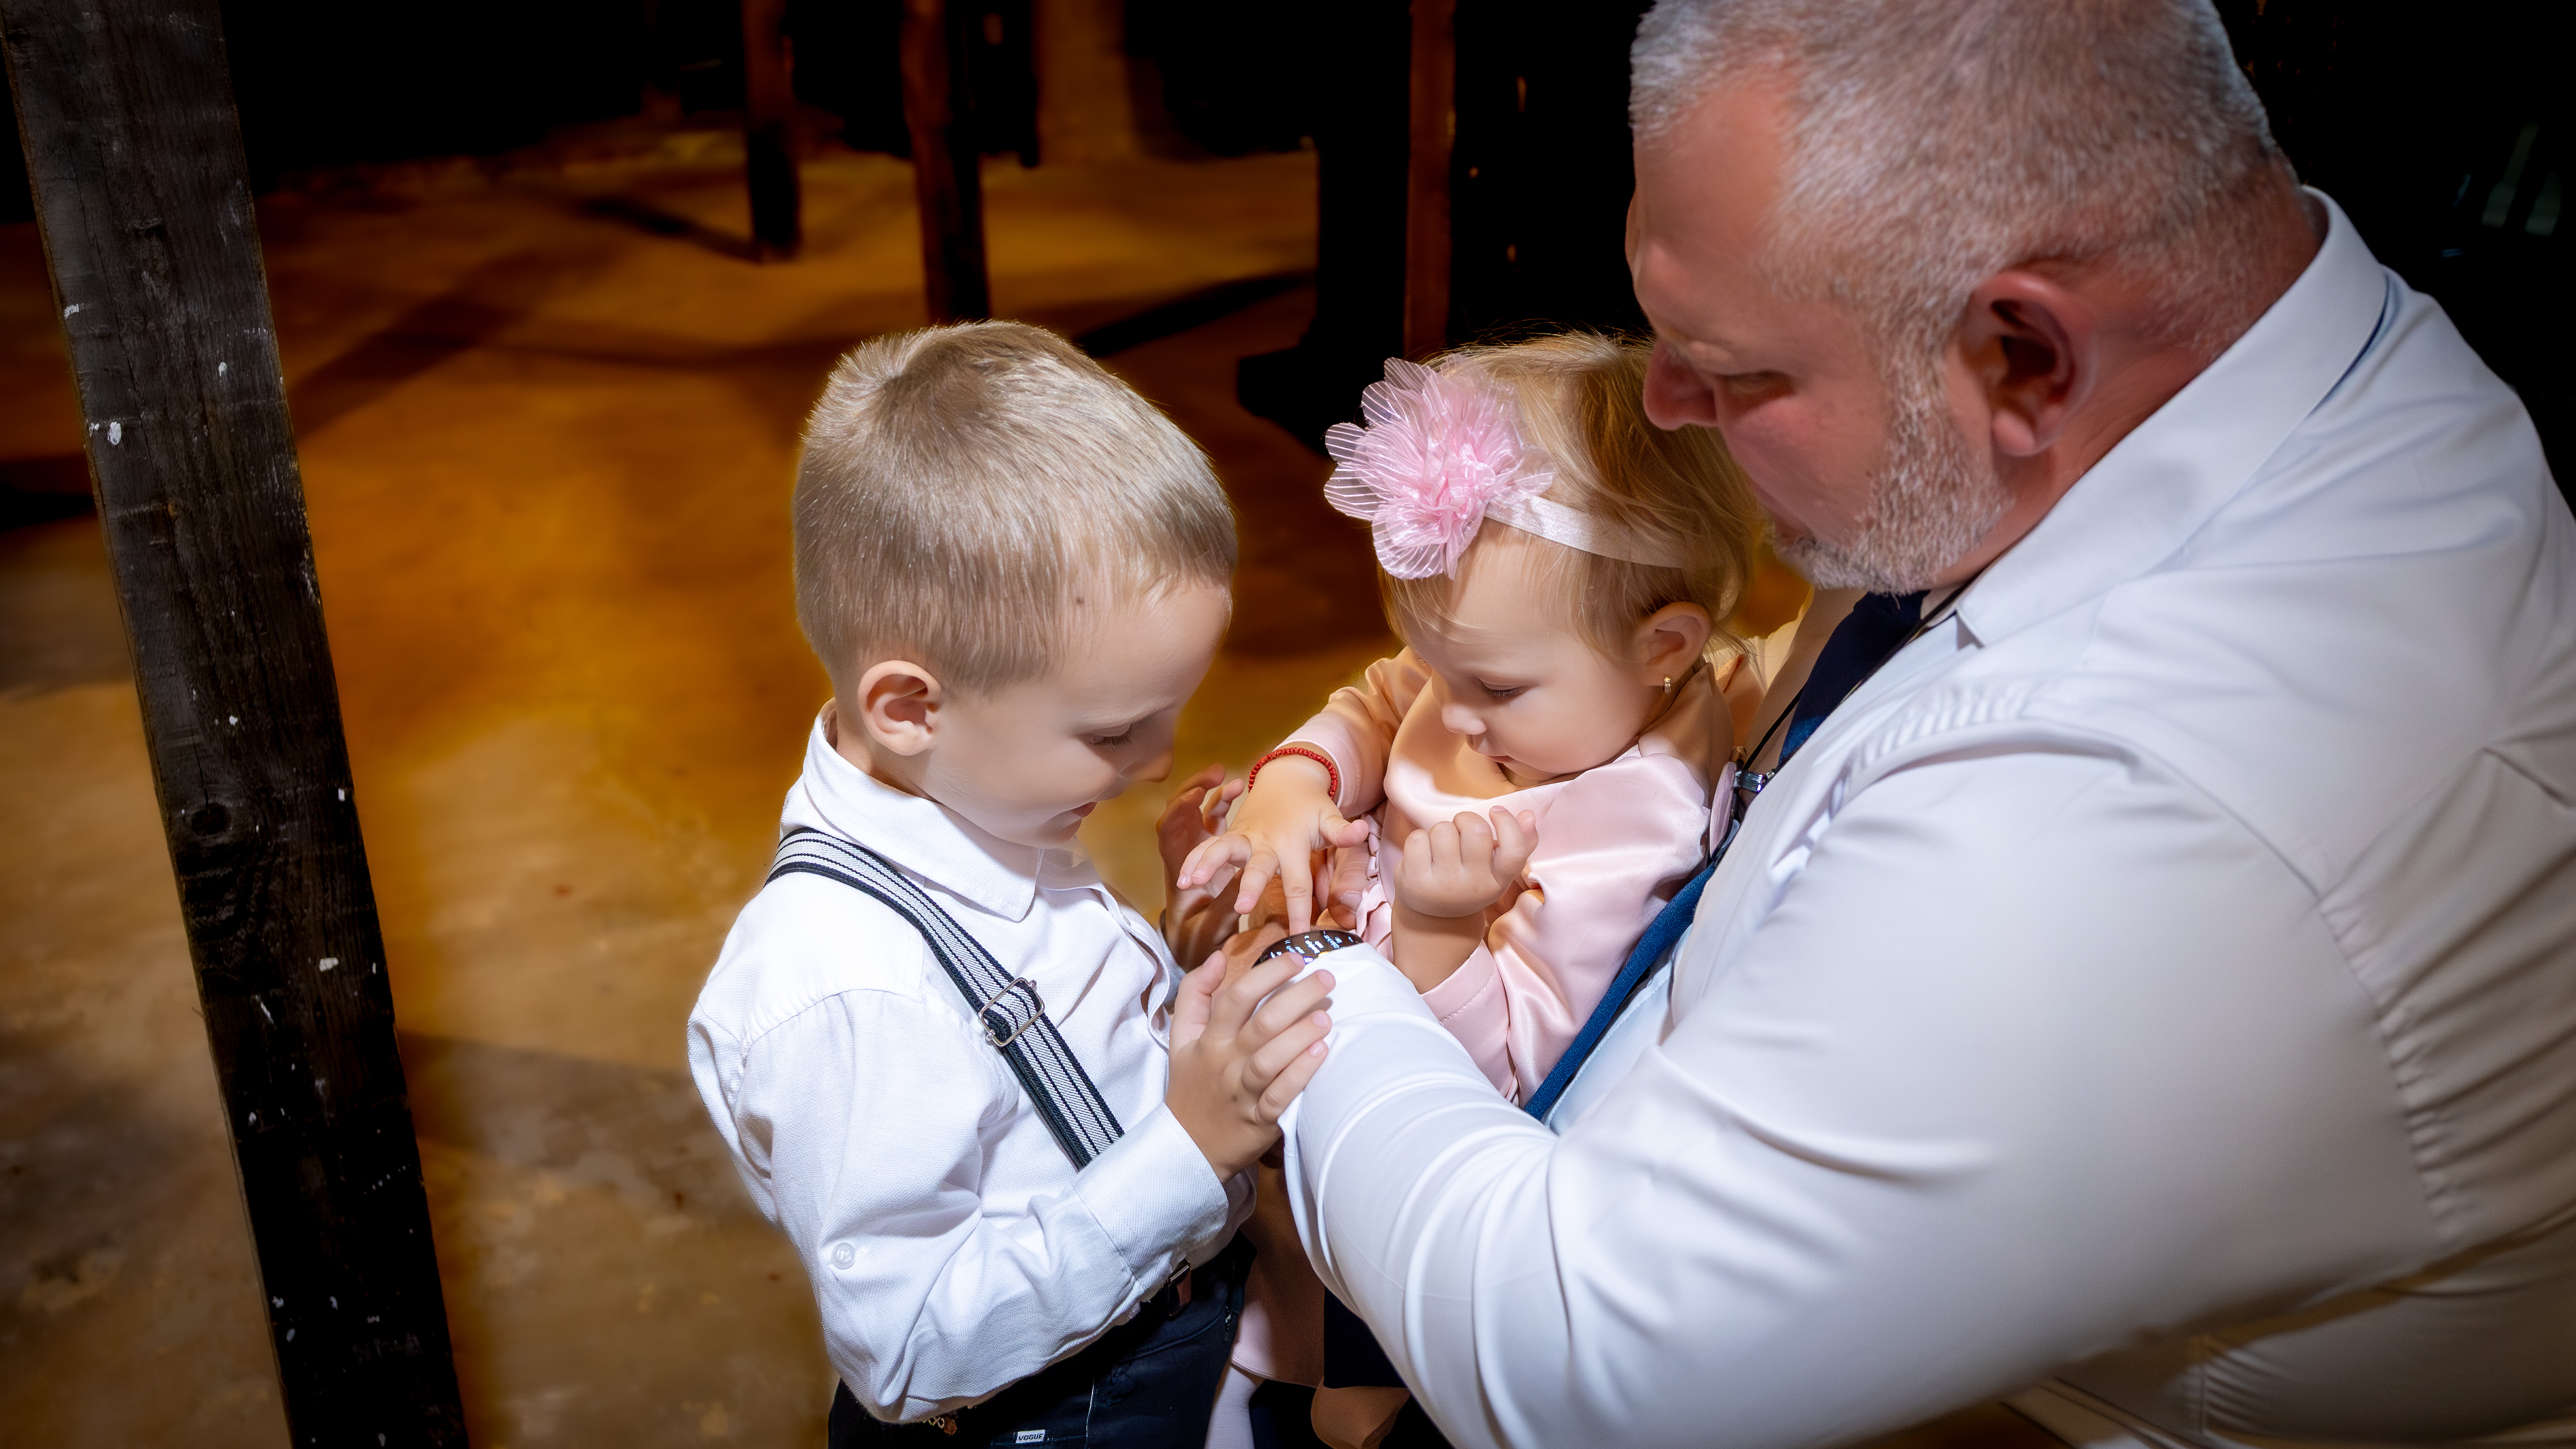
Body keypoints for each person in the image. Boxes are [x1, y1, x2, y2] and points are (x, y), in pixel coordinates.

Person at [1275, 4, 2576, 1449]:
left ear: (2021, 356)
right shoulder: (2205, 385)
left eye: (1731, 367)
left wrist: (1314, 965)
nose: (1666, 402)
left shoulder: (2140, 824)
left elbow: (1572, 1363)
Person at [686, 321, 1336, 1447]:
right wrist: (1186, 1151)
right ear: (910, 708)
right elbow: (905, 1349)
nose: (1160, 761)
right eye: (1116, 731)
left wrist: (1174, 949)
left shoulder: (974, 804)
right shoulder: (852, 994)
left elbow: (1042, 1073)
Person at [1184, 333, 1762, 1104]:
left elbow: (1516, 1080)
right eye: (1434, 665)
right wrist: (1295, 779)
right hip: (1305, 963)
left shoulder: (1633, 822)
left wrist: (1440, 929)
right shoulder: (1496, 668)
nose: (1451, 712)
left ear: (1661, 648)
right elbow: (1380, 703)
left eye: (1496, 688)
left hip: (1376, 1073)